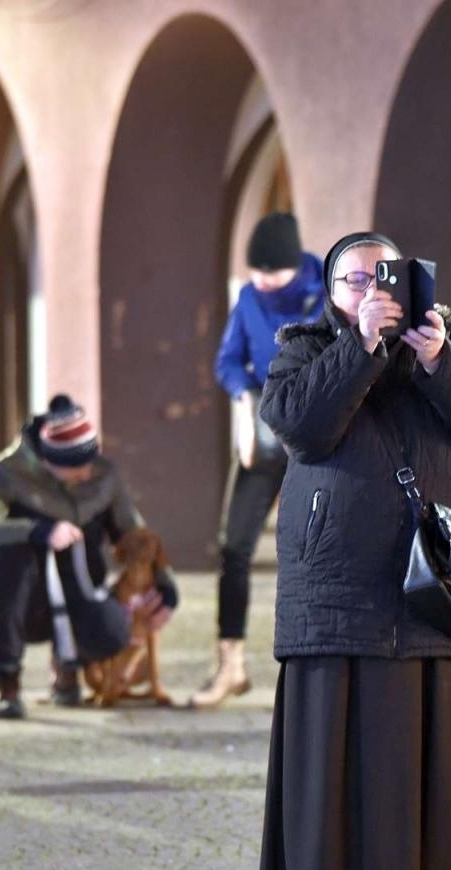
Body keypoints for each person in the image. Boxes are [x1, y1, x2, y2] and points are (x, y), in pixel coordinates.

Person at [254, 231, 451, 870]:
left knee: (427, 760)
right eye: (358, 280)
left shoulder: (443, 342)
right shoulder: (305, 345)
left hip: (431, 585)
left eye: (389, 276)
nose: (375, 290)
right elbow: (303, 427)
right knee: (332, 760)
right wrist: (363, 348)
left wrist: (439, 360)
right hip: (335, 586)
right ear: (334, 290)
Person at [0, 394, 178, 719]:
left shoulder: (104, 475)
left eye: (90, 462)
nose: (86, 473)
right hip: (26, 597)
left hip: (83, 587)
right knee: (14, 559)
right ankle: (5, 679)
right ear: (48, 461)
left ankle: (69, 665)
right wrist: (37, 530)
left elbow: (136, 534)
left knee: (112, 627)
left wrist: (165, 587)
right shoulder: (7, 472)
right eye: (76, 467)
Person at [189, 212, 325, 709]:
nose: (265, 282)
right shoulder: (248, 298)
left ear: (294, 267)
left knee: (312, 556)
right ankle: (231, 664)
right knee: (234, 549)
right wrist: (244, 407)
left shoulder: (325, 294)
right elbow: (228, 361)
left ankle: (316, 674)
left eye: (274, 273)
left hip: (314, 443)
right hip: (262, 437)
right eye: (257, 273)